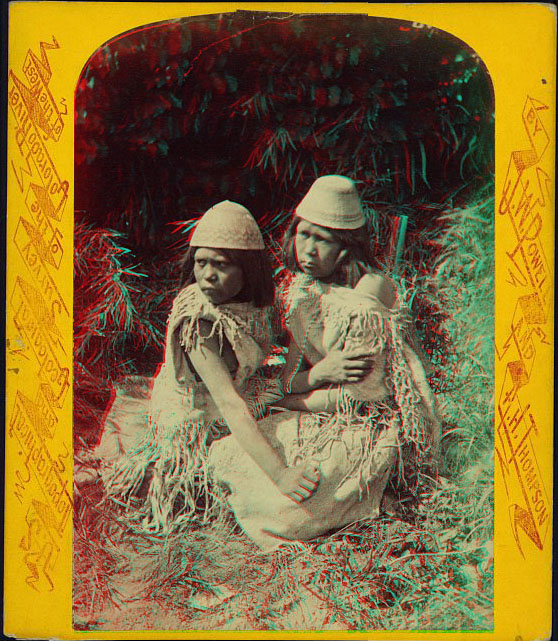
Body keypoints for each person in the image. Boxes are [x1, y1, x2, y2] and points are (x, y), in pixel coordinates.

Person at [209, 176, 441, 550]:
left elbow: (354, 399)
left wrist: (281, 402)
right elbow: (289, 378)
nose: (309, 250)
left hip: (365, 425)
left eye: (324, 239)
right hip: (318, 410)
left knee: (289, 511)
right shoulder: (302, 290)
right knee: (229, 452)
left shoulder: (365, 298)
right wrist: (317, 374)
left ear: (346, 247)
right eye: (304, 235)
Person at [98, 201, 320, 532]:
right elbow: (229, 404)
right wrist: (281, 475)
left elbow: (274, 348)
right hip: (199, 429)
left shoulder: (246, 304)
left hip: (236, 397)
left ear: (248, 270)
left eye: (222, 264)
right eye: (201, 263)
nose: (208, 275)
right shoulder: (197, 322)